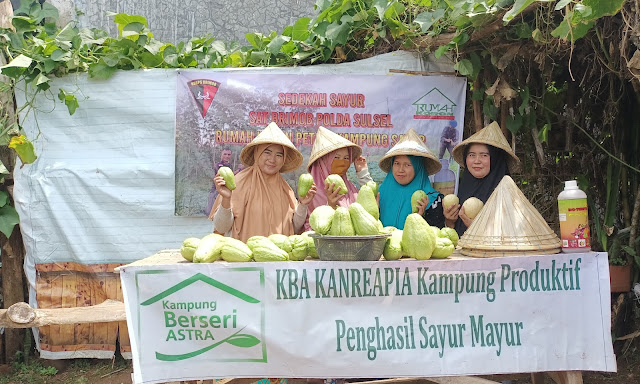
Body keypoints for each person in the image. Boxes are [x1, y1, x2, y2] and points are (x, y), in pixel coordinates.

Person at [209, 122, 317, 242]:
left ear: (283, 159)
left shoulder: (285, 189)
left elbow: (294, 229)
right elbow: (221, 228)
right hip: (244, 257)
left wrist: (303, 205)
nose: (272, 159)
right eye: (267, 152)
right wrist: (226, 199)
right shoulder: (238, 183)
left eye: (279, 155)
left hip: (278, 256)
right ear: (257, 154)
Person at [445, 121, 520, 237]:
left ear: (495, 159)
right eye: (471, 155)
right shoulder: (465, 187)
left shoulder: (507, 195)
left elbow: (512, 236)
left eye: (484, 155)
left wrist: (476, 229)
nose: (476, 161)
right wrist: (450, 222)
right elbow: (456, 236)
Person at [304, 126, 373, 231]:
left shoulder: (351, 189)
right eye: (336, 157)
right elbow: (312, 229)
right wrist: (330, 206)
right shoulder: (312, 192)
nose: (342, 162)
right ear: (324, 161)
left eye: (346, 158)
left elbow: (369, 211)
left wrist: (362, 173)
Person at [377, 128, 444, 229]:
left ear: (418, 168)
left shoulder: (431, 200)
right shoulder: (380, 194)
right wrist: (374, 213)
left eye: (408, 165)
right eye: (396, 163)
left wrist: (420, 218)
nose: (400, 170)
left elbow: (436, 236)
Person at [206, 147, 233, 216]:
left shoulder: (230, 165)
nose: (227, 156)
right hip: (216, 190)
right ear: (221, 155)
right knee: (210, 211)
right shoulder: (218, 165)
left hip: (226, 190)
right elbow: (225, 177)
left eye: (229, 154)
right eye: (225, 154)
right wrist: (239, 170)